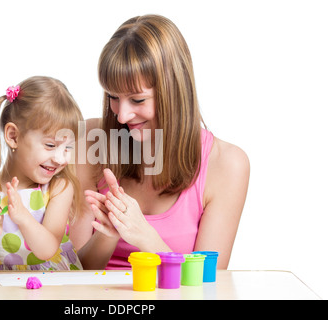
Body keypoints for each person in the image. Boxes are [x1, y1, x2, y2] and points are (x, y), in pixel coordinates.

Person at [70, 15, 250, 270]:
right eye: (113, 96)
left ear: (173, 92)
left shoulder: (227, 165)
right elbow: (73, 275)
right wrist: (107, 234)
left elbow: (209, 286)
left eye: (138, 100)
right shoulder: (91, 140)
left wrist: (144, 235)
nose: (121, 116)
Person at [0, 76, 84, 271]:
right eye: (51, 145)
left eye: (67, 147)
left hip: (54, 288)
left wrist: (22, 216)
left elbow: (47, 250)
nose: (61, 159)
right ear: (13, 136)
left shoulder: (59, 188)